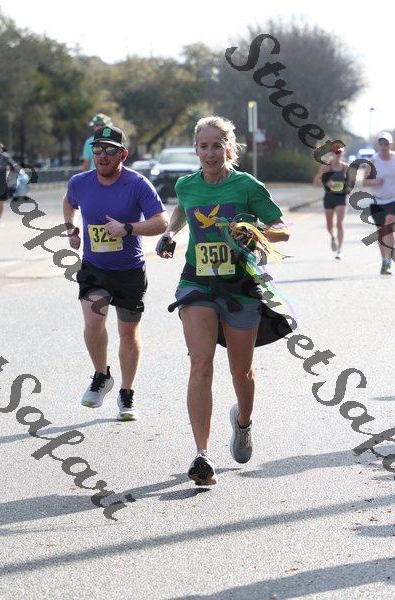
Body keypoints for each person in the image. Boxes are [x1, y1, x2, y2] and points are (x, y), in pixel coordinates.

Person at [156, 116, 290, 486]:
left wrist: (255, 231)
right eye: (204, 146)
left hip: (240, 285)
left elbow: (282, 229)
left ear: (228, 148)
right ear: (196, 149)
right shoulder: (186, 185)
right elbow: (182, 209)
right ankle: (202, 454)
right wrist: (170, 233)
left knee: (240, 372)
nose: (210, 152)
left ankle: (243, 423)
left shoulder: (247, 185)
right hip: (197, 283)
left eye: (217, 145)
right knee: (200, 364)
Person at [63, 125, 168, 420]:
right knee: (93, 322)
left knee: (128, 332)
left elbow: (161, 222)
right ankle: (101, 375)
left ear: (123, 154)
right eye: (97, 149)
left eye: (110, 150)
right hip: (94, 268)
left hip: (129, 270)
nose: (103, 155)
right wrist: (71, 229)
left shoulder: (137, 184)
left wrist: (128, 228)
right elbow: (69, 202)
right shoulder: (80, 183)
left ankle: (126, 391)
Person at [362, 131, 395, 275]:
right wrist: (375, 181)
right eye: (381, 143)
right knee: (381, 232)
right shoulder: (373, 161)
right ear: (378, 145)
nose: (383, 146)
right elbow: (364, 181)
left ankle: (390, 258)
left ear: (391, 144)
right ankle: (385, 261)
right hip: (377, 201)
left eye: (386, 143)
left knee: (389, 225)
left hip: (393, 200)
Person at [313, 142, 348, 259]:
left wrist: (345, 187)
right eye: (336, 152)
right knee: (329, 226)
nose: (338, 154)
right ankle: (333, 237)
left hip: (341, 198)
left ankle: (340, 251)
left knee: (339, 223)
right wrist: (326, 183)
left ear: (342, 153)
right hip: (329, 198)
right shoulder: (326, 167)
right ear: (332, 153)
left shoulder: (345, 167)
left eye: (340, 152)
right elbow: (316, 182)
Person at [0, 141, 18, 226]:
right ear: (0, 148)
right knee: (1, 202)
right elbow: (14, 168)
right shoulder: (5, 157)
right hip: (1, 183)